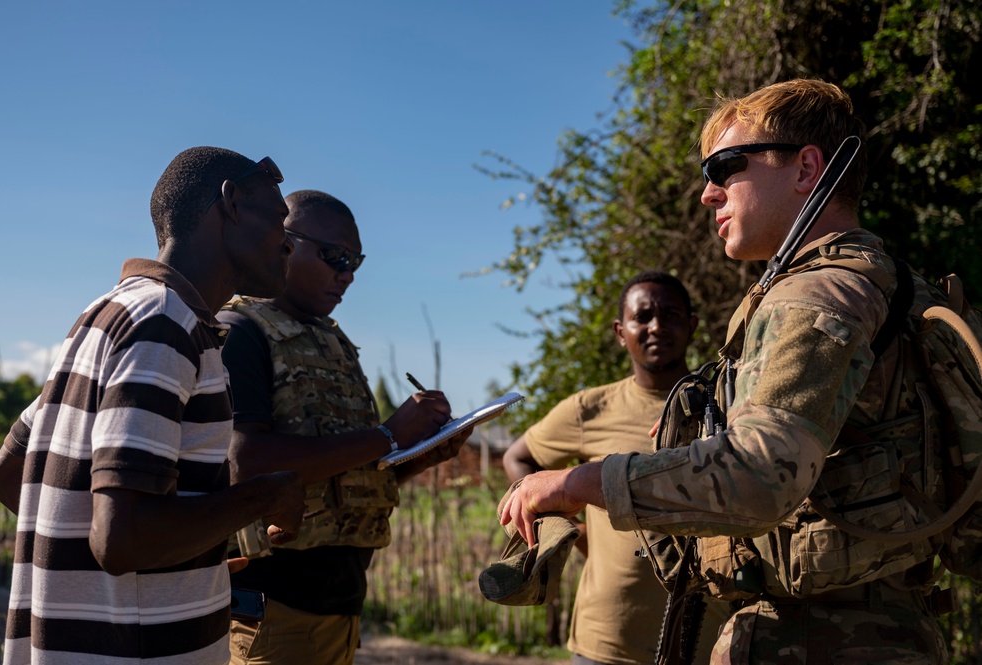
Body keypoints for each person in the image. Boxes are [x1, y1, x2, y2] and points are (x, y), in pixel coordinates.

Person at [498, 79, 952, 663]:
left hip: (815, 637)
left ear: (806, 168)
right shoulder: (895, 288)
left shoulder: (816, 296)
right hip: (884, 628)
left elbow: (760, 476)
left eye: (726, 166)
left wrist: (576, 482)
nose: (708, 193)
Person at [0, 147, 308, 664]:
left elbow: (8, 475)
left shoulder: (103, 316)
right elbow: (122, 540)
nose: (287, 242)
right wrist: (265, 495)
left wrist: (176, 563)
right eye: (276, 219)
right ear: (230, 204)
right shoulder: (165, 324)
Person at [218, 189, 468, 665]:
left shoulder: (332, 341)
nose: (348, 275)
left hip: (339, 610)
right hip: (271, 613)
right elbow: (246, 461)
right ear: (284, 243)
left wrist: (421, 453)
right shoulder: (241, 331)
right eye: (336, 257)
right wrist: (390, 434)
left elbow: (346, 472)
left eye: (356, 261)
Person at [503, 271, 726, 665]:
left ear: (691, 326)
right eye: (643, 317)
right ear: (621, 332)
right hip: (608, 637)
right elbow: (519, 458)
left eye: (671, 315)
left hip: (709, 634)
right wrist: (573, 534)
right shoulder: (590, 409)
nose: (656, 326)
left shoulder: (724, 403)